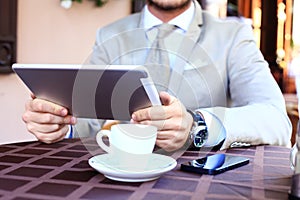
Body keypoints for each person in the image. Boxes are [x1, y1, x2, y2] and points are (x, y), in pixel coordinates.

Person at [22, 0, 292, 152]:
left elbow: (276, 120)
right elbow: (89, 122)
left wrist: (196, 125)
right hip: (118, 181)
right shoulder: (109, 35)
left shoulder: (232, 36)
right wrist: (61, 125)